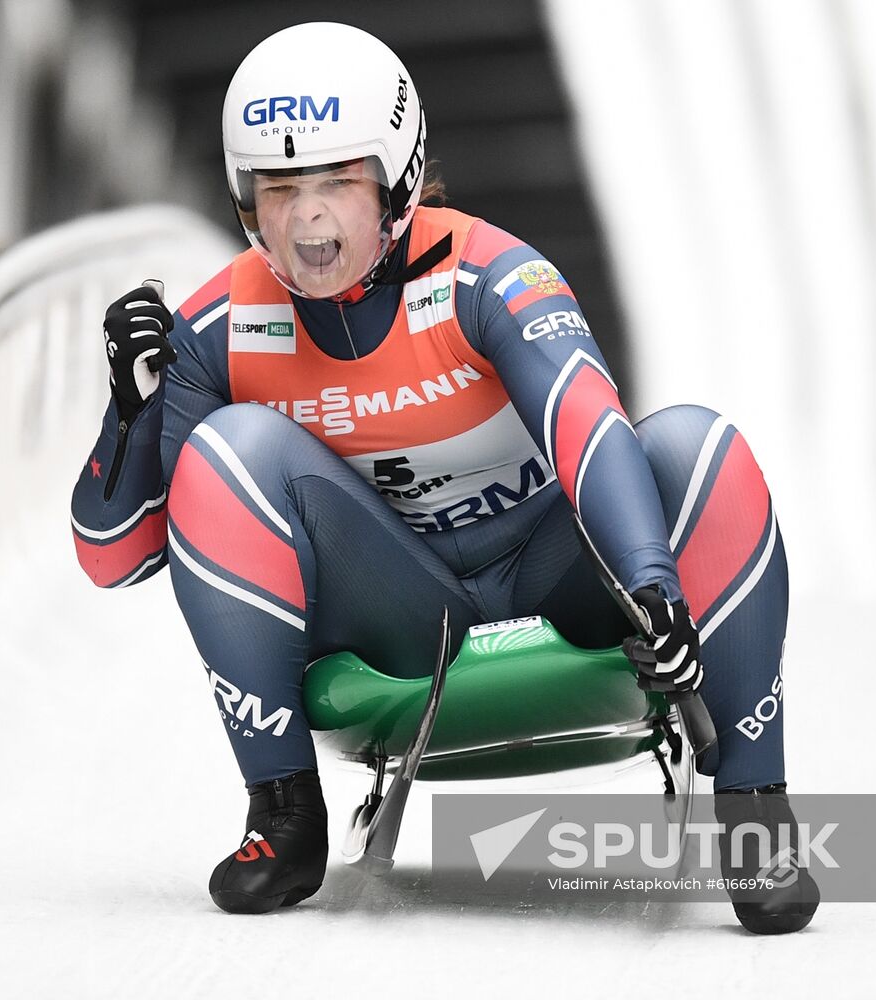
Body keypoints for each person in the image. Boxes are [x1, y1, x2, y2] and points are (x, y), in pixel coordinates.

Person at [70, 22, 818, 933]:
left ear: (395, 181)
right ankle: (281, 815)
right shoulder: (221, 322)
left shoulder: (489, 274)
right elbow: (118, 557)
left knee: (700, 447)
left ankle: (756, 812)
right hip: (396, 609)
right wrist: (130, 414)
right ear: (244, 199)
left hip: (556, 572)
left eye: (337, 185)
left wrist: (653, 587)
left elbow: (587, 424)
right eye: (280, 190)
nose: (308, 223)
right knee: (229, 451)